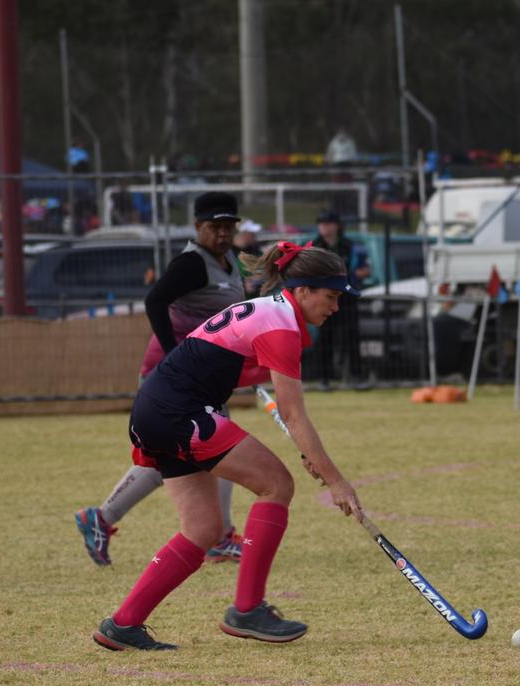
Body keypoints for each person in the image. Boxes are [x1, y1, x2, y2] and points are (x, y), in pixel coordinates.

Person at [91, 242, 365, 651]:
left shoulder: (268, 310)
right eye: (331, 297)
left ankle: (123, 624)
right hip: (177, 411)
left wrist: (314, 455)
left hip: (155, 410)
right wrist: (337, 481)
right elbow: (294, 416)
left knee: (204, 528)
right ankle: (247, 609)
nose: (336, 307)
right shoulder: (281, 325)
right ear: (304, 290)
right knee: (277, 484)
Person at [75, 192, 248, 566]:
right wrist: (174, 354)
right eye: (214, 227)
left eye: (228, 227)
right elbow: (155, 300)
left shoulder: (230, 260)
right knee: (219, 448)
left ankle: (100, 518)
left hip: (201, 375)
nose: (222, 234)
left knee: (178, 456)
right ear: (198, 228)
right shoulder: (192, 264)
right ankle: (219, 538)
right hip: (173, 375)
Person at [313, 210, 370, 389]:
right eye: (321, 223)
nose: (324, 227)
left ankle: (356, 376)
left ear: (336, 226)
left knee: (351, 337)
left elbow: (365, 270)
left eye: (328, 223)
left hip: (346, 297)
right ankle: (325, 378)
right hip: (323, 298)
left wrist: (351, 274)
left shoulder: (350, 246)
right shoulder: (314, 246)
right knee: (325, 339)